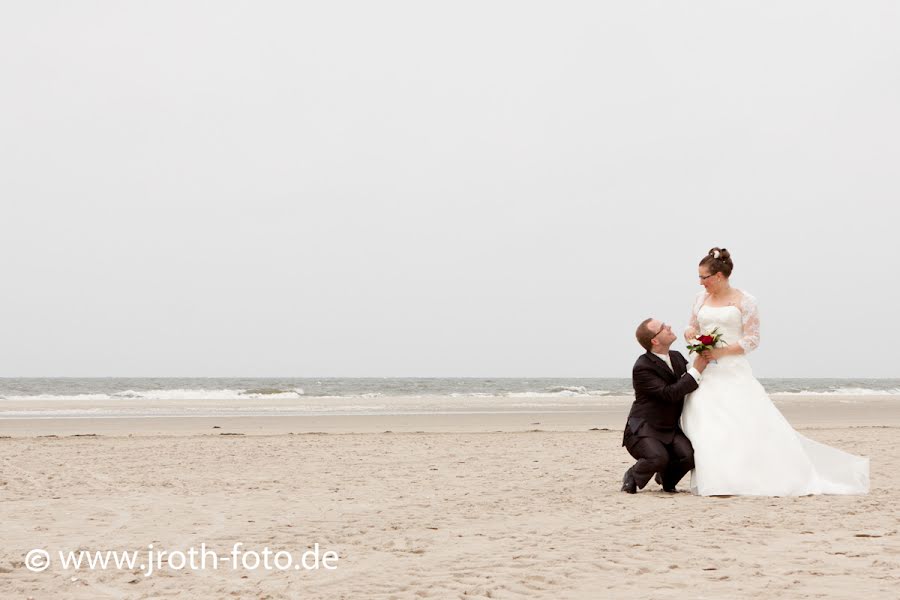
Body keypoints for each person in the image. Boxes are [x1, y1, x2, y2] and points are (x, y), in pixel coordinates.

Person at [680, 247, 869, 496]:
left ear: (718, 276)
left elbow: (752, 340)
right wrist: (691, 335)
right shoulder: (700, 299)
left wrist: (720, 353)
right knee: (705, 424)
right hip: (704, 370)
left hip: (731, 369)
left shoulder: (745, 301)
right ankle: (715, 479)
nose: (700, 282)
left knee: (740, 423)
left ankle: (745, 477)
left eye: (704, 277)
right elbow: (691, 326)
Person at [621, 318, 709, 493]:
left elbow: (691, 381)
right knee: (657, 458)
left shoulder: (676, 357)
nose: (669, 326)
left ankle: (667, 479)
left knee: (689, 456)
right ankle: (632, 475)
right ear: (654, 340)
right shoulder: (642, 367)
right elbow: (669, 394)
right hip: (644, 428)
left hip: (670, 428)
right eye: (662, 328)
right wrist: (696, 370)